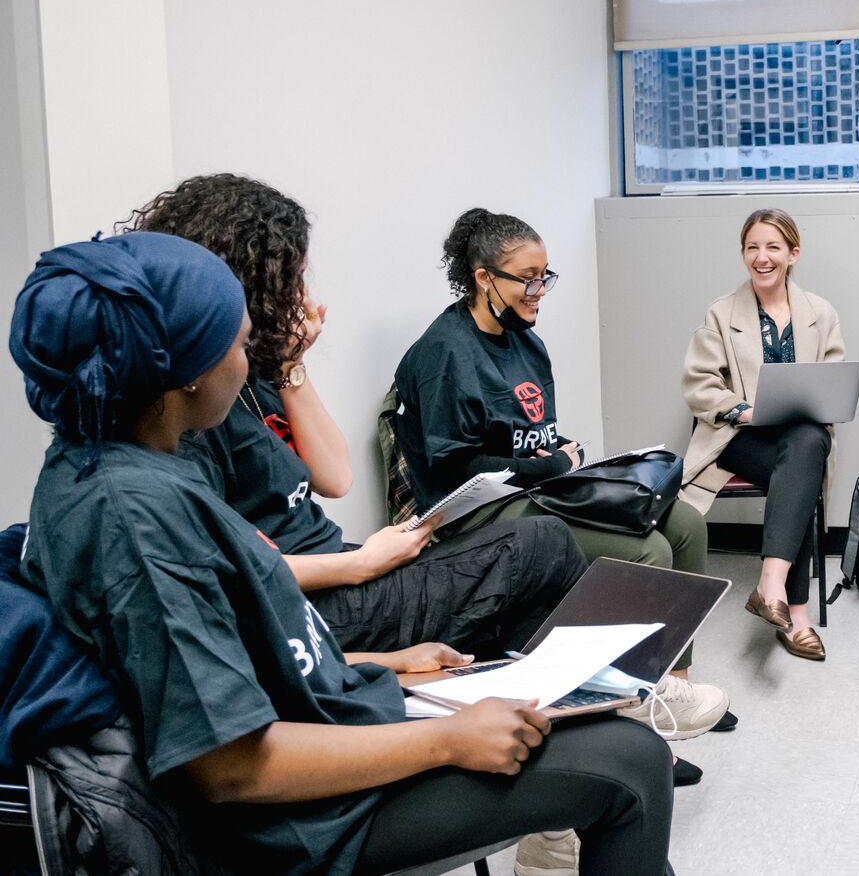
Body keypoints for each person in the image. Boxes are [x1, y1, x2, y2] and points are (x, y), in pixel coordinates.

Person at [9, 232, 673, 875]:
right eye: (238, 345)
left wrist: (384, 665)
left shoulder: (129, 468)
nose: (248, 363)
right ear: (182, 373)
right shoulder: (132, 517)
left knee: (586, 727)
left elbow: (229, 658)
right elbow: (230, 766)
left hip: (326, 713)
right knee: (629, 764)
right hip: (297, 820)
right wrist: (445, 739)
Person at [122, 174, 584, 664]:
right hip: (310, 599)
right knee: (543, 545)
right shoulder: (197, 411)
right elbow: (231, 571)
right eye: (291, 280)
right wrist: (359, 564)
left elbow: (334, 478)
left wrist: (290, 367)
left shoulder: (255, 376)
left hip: (337, 564)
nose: (302, 295)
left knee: (517, 584)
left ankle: (531, 697)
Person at [390, 208, 731, 766]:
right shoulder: (445, 354)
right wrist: (545, 468)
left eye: (545, 276)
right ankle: (633, 715)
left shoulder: (527, 343)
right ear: (483, 278)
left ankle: (673, 687)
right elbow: (454, 472)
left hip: (537, 492)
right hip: (476, 515)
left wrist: (562, 458)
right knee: (646, 550)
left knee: (687, 524)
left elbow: (534, 437)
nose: (538, 290)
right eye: (527, 277)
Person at [681, 208, 845, 661]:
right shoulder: (721, 313)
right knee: (803, 466)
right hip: (739, 439)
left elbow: (833, 382)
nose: (762, 257)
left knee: (807, 445)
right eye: (752, 247)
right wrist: (742, 409)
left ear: (793, 254)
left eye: (773, 247)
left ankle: (771, 587)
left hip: (797, 439)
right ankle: (797, 615)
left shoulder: (821, 313)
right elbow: (699, 386)